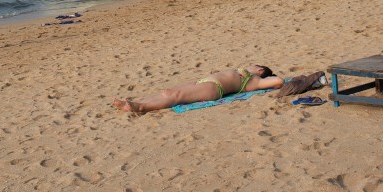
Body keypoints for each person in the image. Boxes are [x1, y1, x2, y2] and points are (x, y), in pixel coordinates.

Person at [113, 65, 284, 114]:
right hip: (203, 82)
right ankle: (136, 103)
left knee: (177, 96)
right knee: (168, 92)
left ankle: (141, 107)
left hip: (214, 88)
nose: (251, 65)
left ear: (260, 70)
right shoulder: (249, 75)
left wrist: (269, 80)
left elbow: (279, 81)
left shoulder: (255, 81)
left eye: (254, 65)